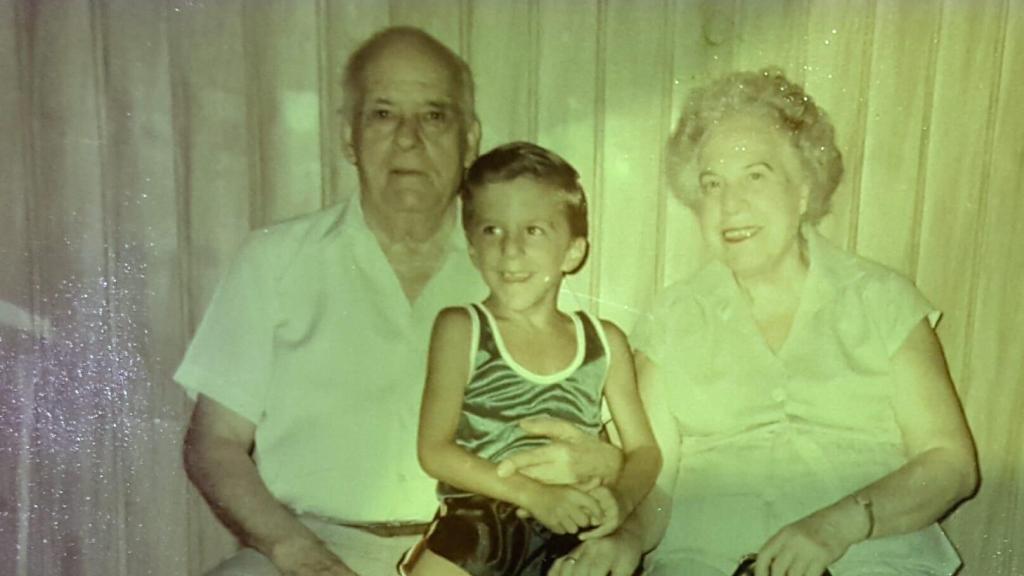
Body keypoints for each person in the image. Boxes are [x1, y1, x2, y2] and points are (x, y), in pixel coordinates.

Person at [177, 27, 619, 576]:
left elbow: (585, 402)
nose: (409, 139)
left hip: (480, 550)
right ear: (348, 136)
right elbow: (212, 443)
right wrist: (292, 549)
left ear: (470, 137)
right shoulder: (276, 260)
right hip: (311, 545)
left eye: (434, 116)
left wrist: (605, 461)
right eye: (383, 114)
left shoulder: (516, 267)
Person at [551, 68, 979, 576]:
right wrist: (626, 539)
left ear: (803, 189)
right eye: (713, 184)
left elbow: (950, 463)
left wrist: (835, 526)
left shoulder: (882, 299)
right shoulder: (672, 318)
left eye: (756, 175)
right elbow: (656, 483)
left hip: (873, 562)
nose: (731, 205)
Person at [404, 142, 661, 576]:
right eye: (492, 231)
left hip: (574, 526)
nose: (510, 250)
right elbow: (434, 451)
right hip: (480, 530)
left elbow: (645, 451)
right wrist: (534, 496)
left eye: (534, 230)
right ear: (471, 249)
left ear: (573, 252)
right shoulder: (461, 330)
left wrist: (620, 501)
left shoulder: (604, 341)